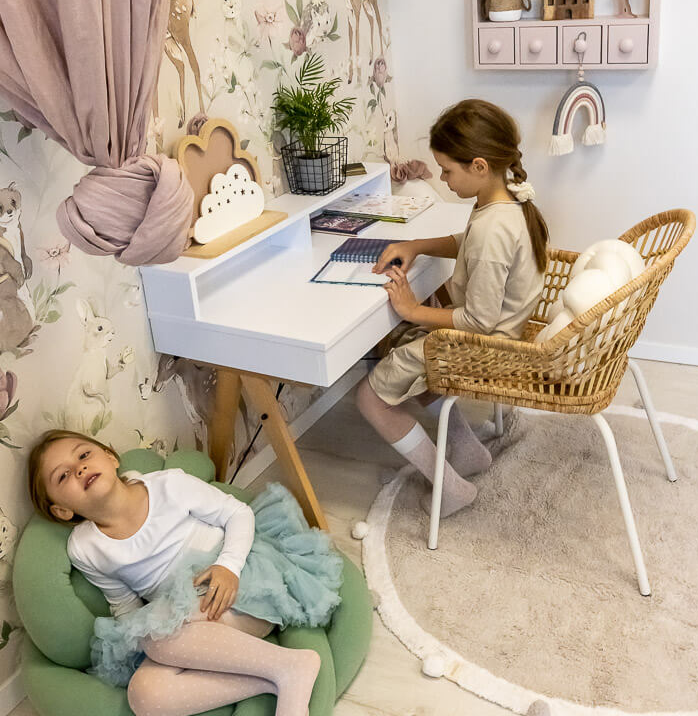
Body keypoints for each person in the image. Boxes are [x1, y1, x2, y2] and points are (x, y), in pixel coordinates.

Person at [28, 429, 345, 716]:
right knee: (144, 695)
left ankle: (285, 670)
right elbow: (123, 603)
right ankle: (282, 672)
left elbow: (238, 513)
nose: (80, 469)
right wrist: (138, 635)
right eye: (63, 476)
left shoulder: (169, 486)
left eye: (84, 455)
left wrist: (228, 566)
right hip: (184, 620)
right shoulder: (85, 548)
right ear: (62, 510)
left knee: (159, 638)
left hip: (241, 587)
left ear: (111, 458)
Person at [356, 99, 548, 518]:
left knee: (370, 399)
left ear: (479, 166)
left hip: (485, 348)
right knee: (407, 346)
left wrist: (412, 309)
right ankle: (467, 451)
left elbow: (478, 322)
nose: (442, 179)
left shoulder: (493, 230)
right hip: (500, 336)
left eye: (446, 170)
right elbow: (467, 242)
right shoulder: (503, 203)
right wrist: (416, 245)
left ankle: (451, 488)